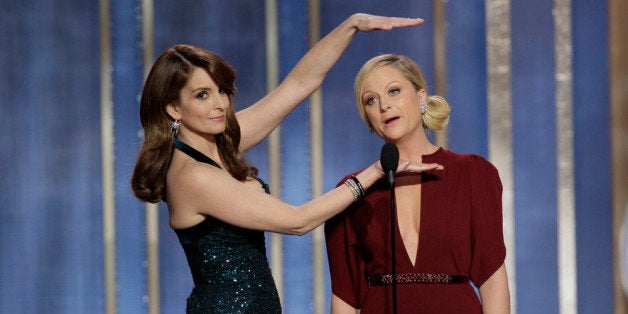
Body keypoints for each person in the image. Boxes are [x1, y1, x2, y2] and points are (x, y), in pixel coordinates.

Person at [130, 14, 441, 313]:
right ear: (174, 108)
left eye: (221, 91)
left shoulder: (221, 142)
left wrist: (352, 25)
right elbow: (297, 221)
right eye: (202, 95)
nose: (219, 104)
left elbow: (298, 85)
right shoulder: (192, 175)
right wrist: (373, 173)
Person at [324, 54, 510, 313]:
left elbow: (492, 276)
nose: (384, 106)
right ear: (368, 119)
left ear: (421, 97)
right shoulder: (352, 192)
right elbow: (345, 296)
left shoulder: (472, 174)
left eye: (394, 91)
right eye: (371, 100)